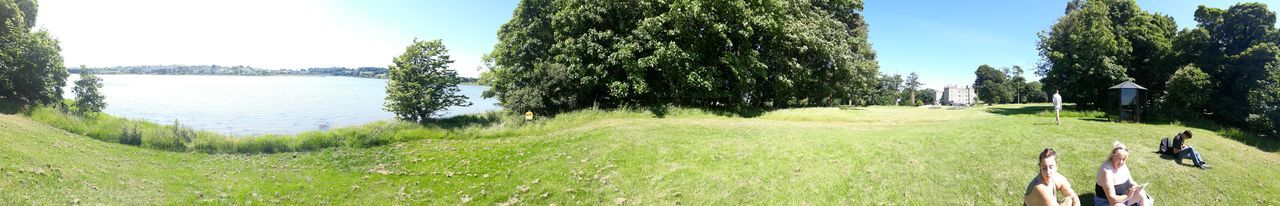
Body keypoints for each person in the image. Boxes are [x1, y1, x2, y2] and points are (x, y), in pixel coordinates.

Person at [1094, 141, 1153, 206]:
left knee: (1141, 193)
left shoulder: (1123, 165)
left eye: (1124, 159)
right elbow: (1112, 199)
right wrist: (1128, 196)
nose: (1121, 162)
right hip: (1107, 202)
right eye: (1119, 158)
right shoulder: (1107, 171)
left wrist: (1136, 187)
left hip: (1123, 198)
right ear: (1113, 156)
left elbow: (1131, 181)